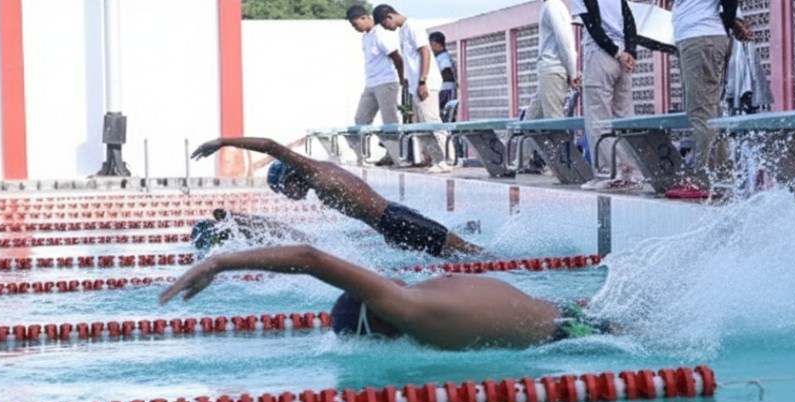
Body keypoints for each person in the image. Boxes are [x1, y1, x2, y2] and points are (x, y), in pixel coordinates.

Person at [159, 244, 610, 350]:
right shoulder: (406, 289)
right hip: (570, 318)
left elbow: (309, 257)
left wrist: (217, 262)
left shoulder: (407, 309)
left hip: (569, 335)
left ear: (377, 320)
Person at [191, 136, 483, 257]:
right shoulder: (319, 183)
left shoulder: (314, 172)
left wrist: (223, 142)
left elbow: (270, 146)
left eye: (285, 190)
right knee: (452, 256)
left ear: (290, 177)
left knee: (470, 254)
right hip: (391, 227)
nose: (289, 198)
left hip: (396, 221)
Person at [646, 0, 753, 199]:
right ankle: (721, 177)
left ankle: (706, 179)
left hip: (703, 38)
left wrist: (727, 26)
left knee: (702, 111)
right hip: (694, 39)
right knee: (704, 109)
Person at [559, 0, 641, 191]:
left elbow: (593, 27)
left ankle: (608, 173)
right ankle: (631, 172)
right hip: (623, 56)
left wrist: (615, 52)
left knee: (598, 118)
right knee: (624, 115)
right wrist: (629, 52)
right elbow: (629, 21)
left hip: (601, 56)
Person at [372, 4, 451, 173]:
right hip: (416, 86)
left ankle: (444, 161)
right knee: (420, 125)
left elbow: (425, 52)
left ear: (389, 17)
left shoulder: (413, 26)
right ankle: (433, 159)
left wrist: (423, 81)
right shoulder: (403, 31)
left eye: (386, 25)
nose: (387, 29)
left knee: (432, 121)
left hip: (426, 84)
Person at [521, 0, 580, 120]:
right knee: (529, 124)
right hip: (548, 72)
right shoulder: (550, 6)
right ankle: (531, 146)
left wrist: (572, 72)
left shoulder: (553, 7)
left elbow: (565, 41)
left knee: (553, 122)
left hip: (552, 71)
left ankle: (562, 146)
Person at [347, 4, 404, 166]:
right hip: (371, 84)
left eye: (355, 24)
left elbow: (396, 58)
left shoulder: (381, 34)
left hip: (386, 82)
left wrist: (401, 80)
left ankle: (396, 157)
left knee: (389, 121)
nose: (355, 28)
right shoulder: (365, 37)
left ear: (364, 18)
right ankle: (363, 157)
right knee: (360, 119)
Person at [428, 32, 457, 119]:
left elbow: (447, 72)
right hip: (441, 90)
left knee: (444, 114)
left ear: (436, 44)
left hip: (445, 90)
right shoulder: (437, 57)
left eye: (431, 45)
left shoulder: (443, 57)